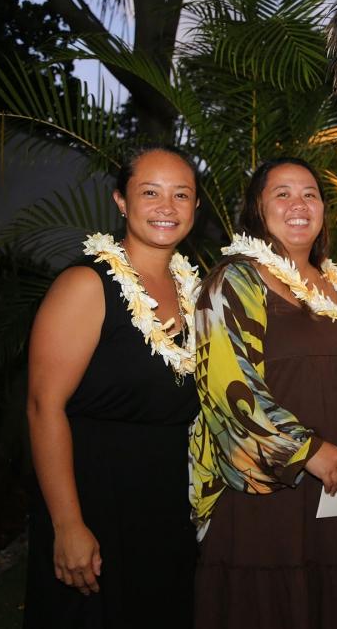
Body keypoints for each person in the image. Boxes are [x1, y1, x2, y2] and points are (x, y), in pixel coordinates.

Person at [190, 157, 337, 629]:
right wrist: (305, 450)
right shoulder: (235, 280)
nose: (298, 204)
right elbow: (227, 391)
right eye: (282, 194)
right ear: (257, 209)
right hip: (266, 497)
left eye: (309, 194)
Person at [24, 146, 201, 628]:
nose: (167, 207)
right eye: (150, 192)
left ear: (195, 207)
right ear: (121, 201)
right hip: (97, 503)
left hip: (167, 506)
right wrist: (67, 524)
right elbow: (43, 407)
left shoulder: (195, 293)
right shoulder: (86, 284)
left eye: (181, 194)